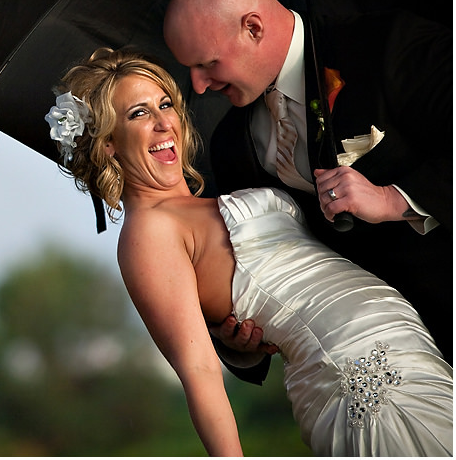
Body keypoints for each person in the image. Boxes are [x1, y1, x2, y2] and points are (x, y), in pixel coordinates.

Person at [45, 47, 452, 456]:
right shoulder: (149, 232)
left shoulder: (213, 193)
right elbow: (200, 371)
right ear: (108, 142)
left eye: (164, 104)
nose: (162, 122)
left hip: (405, 339)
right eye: (138, 113)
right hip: (354, 371)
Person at [162, 0, 453, 379]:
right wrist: (240, 344)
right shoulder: (231, 145)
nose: (199, 85)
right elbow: (247, 268)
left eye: (207, 63)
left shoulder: (386, 45)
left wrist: (393, 199)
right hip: (359, 363)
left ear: (253, 28)